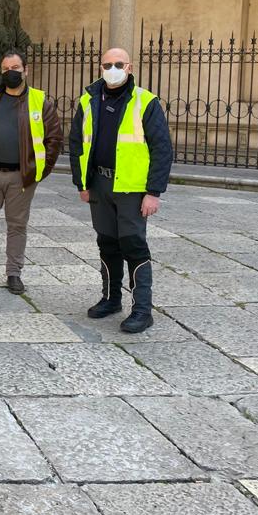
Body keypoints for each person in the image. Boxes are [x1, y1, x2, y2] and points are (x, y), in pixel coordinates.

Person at [68, 47, 172, 333]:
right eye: (106, 64)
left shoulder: (145, 101)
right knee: (107, 242)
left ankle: (142, 309)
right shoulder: (88, 100)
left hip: (131, 188)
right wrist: (82, 183)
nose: (111, 69)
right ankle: (111, 299)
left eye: (118, 64)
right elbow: (76, 143)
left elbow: (162, 149)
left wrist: (153, 192)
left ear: (129, 67)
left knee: (133, 245)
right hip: (100, 184)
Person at [0, 50, 62, 294]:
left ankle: (14, 274)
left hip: (21, 177)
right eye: (6, 69)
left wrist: (38, 171)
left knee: (17, 225)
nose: (11, 72)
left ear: (25, 70)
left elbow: (54, 139)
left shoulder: (39, 101)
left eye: (15, 67)